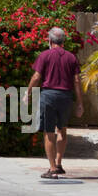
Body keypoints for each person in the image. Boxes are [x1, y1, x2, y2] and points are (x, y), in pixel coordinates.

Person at [26, 26, 82, 178]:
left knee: (48, 131)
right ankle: (58, 163)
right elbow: (76, 80)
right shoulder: (71, 58)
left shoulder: (44, 55)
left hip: (49, 95)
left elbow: (37, 77)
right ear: (63, 41)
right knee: (62, 129)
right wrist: (79, 103)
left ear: (50, 41)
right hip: (66, 96)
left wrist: (28, 92)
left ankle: (52, 169)